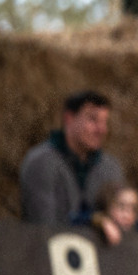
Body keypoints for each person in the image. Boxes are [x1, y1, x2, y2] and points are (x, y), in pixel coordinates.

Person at [20, 90, 124, 226]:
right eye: (93, 120)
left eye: (104, 122)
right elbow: (43, 226)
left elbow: (120, 223)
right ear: (69, 119)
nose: (101, 129)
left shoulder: (110, 168)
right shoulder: (41, 163)